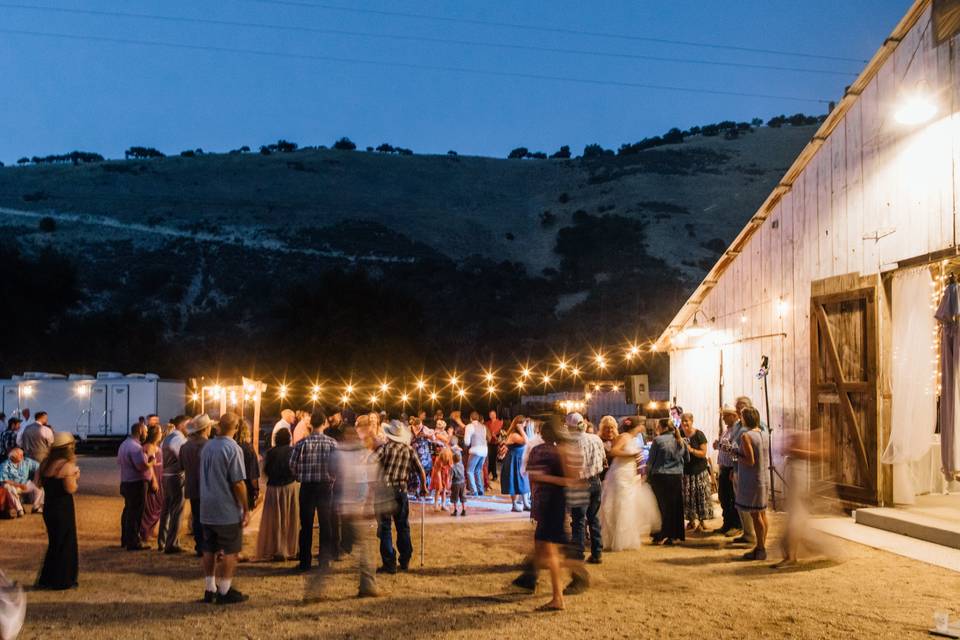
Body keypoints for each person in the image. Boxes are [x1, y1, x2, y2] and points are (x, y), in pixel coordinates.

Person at [526, 416, 587, 611]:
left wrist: (553, 481)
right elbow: (574, 477)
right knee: (553, 546)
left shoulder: (541, 451)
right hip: (560, 501)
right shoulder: (567, 450)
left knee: (550, 550)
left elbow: (534, 477)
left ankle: (557, 597)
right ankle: (574, 575)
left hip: (548, 501)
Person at [198, 412, 250, 605]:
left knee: (209, 548)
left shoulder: (207, 447)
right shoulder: (233, 449)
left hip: (206, 507)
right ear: (236, 429)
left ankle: (209, 588)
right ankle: (225, 590)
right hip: (225, 508)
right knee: (231, 550)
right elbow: (238, 483)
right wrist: (246, 508)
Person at [290, 410, 338, 574]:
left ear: (311, 424)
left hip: (307, 487)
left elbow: (292, 464)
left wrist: (299, 475)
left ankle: (305, 562)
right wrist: (333, 477)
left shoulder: (302, 444)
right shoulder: (332, 443)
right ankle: (324, 561)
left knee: (306, 525)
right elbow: (337, 465)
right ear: (324, 423)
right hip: (325, 487)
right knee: (326, 524)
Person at [374, 420, 426, 571]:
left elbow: (370, 463)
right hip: (401, 490)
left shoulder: (384, 449)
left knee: (385, 527)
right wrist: (423, 487)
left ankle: (389, 563)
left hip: (384, 490)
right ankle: (405, 559)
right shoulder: (409, 450)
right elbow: (420, 470)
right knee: (403, 526)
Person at [336, 420, 379, 598]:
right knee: (366, 547)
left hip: (347, 506)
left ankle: (367, 584)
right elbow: (370, 482)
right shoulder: (363, 455)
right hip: (355, 506)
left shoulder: (342, 455)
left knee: (359, 544)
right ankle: (368, 585)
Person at [35, 432, 79, 590]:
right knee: (66, 543)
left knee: (54, 542)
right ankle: (63, 579)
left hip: (49, 506)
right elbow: (70, 488)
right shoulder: (67, 466)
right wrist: (75, 476)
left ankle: (48, 578)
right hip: (63, 507)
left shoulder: (45, 464)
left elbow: (37, 484)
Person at [255, 428, 299, 562]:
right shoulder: (292, 451)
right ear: (289, 439)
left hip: (273, 489)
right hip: (289, 487)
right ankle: (288, 548)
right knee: (289, 519)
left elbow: (266, 470)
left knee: (274, 519)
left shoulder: (270, 452)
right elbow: (295, 469)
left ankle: (274, 547)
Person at [566, 412, 604, 563]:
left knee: (579, 520)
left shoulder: (570, 443)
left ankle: (578, 552)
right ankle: (597, 553)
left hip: (579, 483)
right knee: (593, 518)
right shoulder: (596, 439)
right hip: (596, 482)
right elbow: (603, 459)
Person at [735, 407, 769, 561]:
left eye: (741, 416)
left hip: (752, 480)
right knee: (762, 513)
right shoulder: (764, 433)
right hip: (763, 477)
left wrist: (735, 454)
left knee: (756, 516)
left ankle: (761, 549)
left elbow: (749, 460)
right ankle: (761, 545)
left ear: (745, 419)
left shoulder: (746, 436)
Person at [648, 418, 687, 545]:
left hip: (660, 476)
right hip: (676, 476)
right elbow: (686, 458)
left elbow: (651, 461)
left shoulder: (658, 440)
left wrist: (647, 476)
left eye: (658, 426)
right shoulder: (681, 440)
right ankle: (674, 535)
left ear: (663, 427)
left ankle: (661, 534)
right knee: (675, 506)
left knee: (661, 507)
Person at [118, 422, 153, 551]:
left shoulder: (124, 444)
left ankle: (125, 539)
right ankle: (133, 542)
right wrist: (151, 462)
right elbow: (141, 466)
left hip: (126, 481)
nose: (147, 434)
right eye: (146, 431)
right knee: (136, 513)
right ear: (140, 431)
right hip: (136, 483)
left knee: (128, 511)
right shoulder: (135, 447)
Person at [180, 415, 212, 557]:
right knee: (208, 518)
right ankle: (207, 545)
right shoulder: (209, 445)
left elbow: (181, 466)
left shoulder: (185, 446)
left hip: (192, 486)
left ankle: (199, 545)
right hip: (208, 488)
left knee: (197, 517)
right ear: (205, 428)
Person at [158, 415, 189, 554]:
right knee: (177, 510)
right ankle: (172, 543)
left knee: (166, 510)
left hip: (166, 475)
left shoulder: (167, 438)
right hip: (176, 477)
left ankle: (163, 540)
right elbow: (182, 458)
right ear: (182, 425)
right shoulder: (178, 439)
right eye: (188, 424)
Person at [680, 412, 714, 532]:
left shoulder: (699, 435)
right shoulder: (679, 434)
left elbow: (703, 453)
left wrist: (691, 450)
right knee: (688, 498)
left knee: (701, 496)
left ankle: (702, 521)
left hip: (699, 470)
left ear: (692, 421)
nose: (684, 423)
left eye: (686, 421)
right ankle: (691, 521)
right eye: (682, 421)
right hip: (686, 471)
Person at [714, 406, 742, 536]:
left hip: (731, 468)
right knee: (724, 497)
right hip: (724, 467)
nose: (723, 418)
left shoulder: (737, 430)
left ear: (733, 416)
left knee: (732, 498)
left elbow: (736, 450)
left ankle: (736, 525)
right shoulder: (727, 430)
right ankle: (727, 523)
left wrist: (719, 446)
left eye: (725, 416)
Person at [140, 423, 165, 544]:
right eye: (160, 432)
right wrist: (153, 480)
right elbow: (150, 465)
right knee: (151, 506)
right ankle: (145, 531)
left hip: (160, 477)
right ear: (155, 434)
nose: (161, 434)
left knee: (158, 504)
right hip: (153, 479)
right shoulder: (149, 447)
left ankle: (150, 530)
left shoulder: (156, 446)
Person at [499, 416, 530, 512]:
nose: (525, 425)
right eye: (524, 423)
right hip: (514, 460)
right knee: (515, 482)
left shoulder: (517, 434)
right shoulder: (514, 435)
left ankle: (525, 503)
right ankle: (514, 504)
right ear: (519, 424)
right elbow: (526, 441)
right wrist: (521, 429)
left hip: (519, 460)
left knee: (523, 481)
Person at [0, 448, 43, 516]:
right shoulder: (4, 465)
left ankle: (36, 507)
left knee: (39, 486)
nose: (22, 457)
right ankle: (19, 509)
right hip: (13, 486)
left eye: (22, 455)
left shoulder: (26, 461)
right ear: (13, 456)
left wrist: (36, 479)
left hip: (25, 484)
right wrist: (19, 485)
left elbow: (40, 467)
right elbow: (4, 480)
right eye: (20, 455)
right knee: (7, 486)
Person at [463, 412, 488, 497]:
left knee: (469, 471)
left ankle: (474, 491)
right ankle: (480, 490)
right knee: (477, 471)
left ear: (470, 418)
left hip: (476, 450)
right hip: (485, 450)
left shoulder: (469, 426)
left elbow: (467, 442)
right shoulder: (483, 427)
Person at [408, 417, 433, 500]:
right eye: (417, 426)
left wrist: (427, 435)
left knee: (424, 472)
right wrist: (411, 444)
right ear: (413, 425)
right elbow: (405, 440)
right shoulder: (409, 429)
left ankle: (424, 491)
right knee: (414, 472)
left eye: (420, 425)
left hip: (424, 454)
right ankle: (415, 492)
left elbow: (433, 439)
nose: (419, 427)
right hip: (413, 453)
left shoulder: (425, 428)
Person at [431, 446, 453, 511]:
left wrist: (449, 480)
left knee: (444, 489)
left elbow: (451, 470)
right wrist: (440, 483)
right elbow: (437, 472)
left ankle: (443, 504)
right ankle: (436, 505)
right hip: (438, 474)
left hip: (445, 474)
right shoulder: (438, 460)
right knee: (438, 489)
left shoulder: (450, 459)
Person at [485, 410, 504, 483]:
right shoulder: (487, 423)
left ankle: (492, 474)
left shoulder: (500, 422)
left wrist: (495, 436)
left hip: (496, 443)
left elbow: (501, 433)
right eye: (491, 414)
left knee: (493, 459)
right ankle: (493, 474)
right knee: (490, 459)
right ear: (489, 416)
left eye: (493, 414)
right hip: (489, 443)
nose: (492, 416)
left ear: (495, 415)